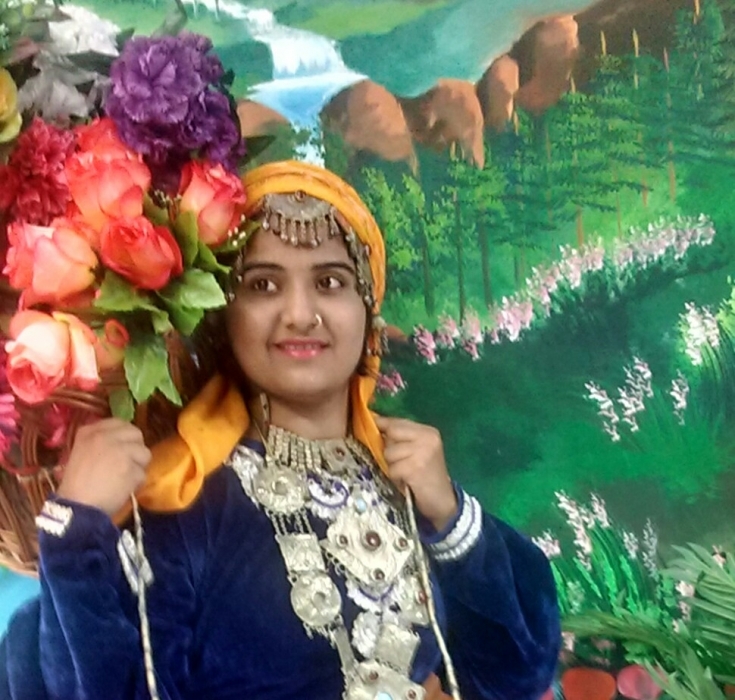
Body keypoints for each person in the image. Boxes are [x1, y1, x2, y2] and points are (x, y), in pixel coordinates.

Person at [0, 161, 560, 700]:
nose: (299, 313)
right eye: (264, 285)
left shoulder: (405, 480)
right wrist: (74, 531)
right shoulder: (187, 506)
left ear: (369, 309)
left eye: (331, 281)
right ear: (224, 315)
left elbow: (515, 671)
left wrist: (450, 516)